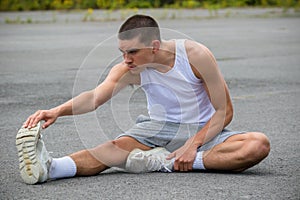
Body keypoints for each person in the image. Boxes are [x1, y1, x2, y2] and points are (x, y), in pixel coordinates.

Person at [16, 14, 270, 184]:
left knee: (257, 145)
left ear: (155, 46)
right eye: (122, 52)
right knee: (109, 151)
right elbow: (94, 97)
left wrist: (192, 145)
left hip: (204, 131)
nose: (126, 59)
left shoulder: (196, 56)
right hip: (155, 130)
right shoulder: (129, 70)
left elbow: (224, 111)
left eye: (133, 52)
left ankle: (164, 162)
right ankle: (50, 168)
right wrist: (56, 111)